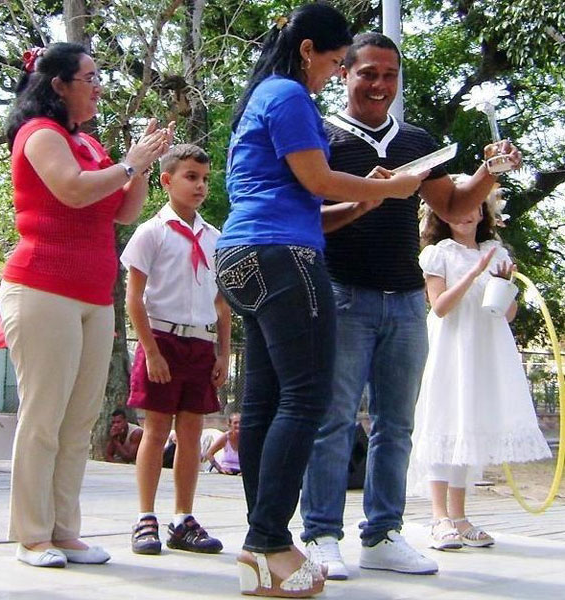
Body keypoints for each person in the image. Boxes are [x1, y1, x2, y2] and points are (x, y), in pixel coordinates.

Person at [215, 5, 426, 597]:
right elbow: (317, 180)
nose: (335, 75)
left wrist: (366, 201)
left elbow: (308, 203)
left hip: (244, 257)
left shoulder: (261, 96)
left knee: (263, 404)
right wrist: (400, 186)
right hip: (284, 260)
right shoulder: (288, 95)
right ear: (309, 50)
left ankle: (263, 545)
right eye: (337, 63)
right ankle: (269, 542)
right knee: (307, 398)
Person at [300, 31, 523, 579]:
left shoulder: (416, 141)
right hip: (341, 291)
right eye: (367, 73)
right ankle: (321, 535)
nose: (379, 84)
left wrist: (488, 173)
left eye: (390, 74)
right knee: (333, 420)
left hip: (404, 301)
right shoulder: (320, 136)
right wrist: (370, 195)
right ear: (345, 74)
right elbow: (306, 218)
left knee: (396, 424)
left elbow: (451, 204)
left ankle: (382, 534)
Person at [0, 42, 170, 569]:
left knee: (79, 420)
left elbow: (125, 212)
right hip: (42, 287)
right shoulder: (40, 135)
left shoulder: (89, 144)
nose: (98, 86)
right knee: (45, 415)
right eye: (90, 76)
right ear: (59, 85)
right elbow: (71, 192)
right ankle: (32, 536)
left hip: (95, 296)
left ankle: (64, 530)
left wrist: (140, 166)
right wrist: (130, 162)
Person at [409, 199, 551, 550]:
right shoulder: (439, 253)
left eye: (473, 206)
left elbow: (508, 314)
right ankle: (439, 515)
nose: (466, 214)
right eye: (456, 208)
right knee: (445, 418)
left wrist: (503, 284)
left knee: (468, 423)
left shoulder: (495, 250)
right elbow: (439, 306)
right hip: (452, 344)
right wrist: (475, 273)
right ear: (441, 215)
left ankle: (460, 515)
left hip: (484, 345)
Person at [121, 143, 231, 557]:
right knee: (155, 429)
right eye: (191, 177)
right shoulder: (151, 232)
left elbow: (222, 303)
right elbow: (134, 298)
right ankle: (145, 516)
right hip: (162, 340)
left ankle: (183, 517)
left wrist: (222, 352)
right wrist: (150, 351)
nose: (200, 186)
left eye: (204, 178)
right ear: (167, 181)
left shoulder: (216, 238)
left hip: (200, 344)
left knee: (191, 433)